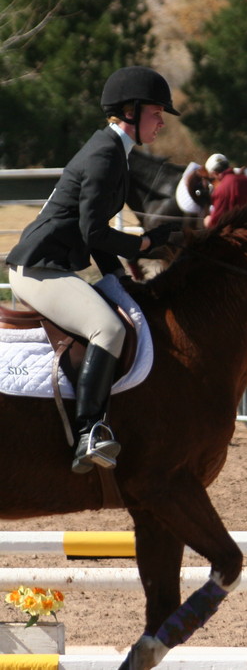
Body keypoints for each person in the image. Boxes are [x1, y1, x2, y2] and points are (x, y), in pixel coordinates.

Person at [6, 66, 182, 474]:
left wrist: (121, 280)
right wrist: (144, 244)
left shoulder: (113, 151)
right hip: (39, 268)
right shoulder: (105, 155)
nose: (161, 122)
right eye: (157, 113)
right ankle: (90, 432)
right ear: (131, 111)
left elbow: (95, 236)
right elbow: (94, 232)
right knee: (110, 329)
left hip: (56, 264)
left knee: (124, 310)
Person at [204, 153, 247, 228]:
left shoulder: (222, 188)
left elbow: (216, 222)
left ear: (215, 173)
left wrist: (208, 221)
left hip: (235, 234)